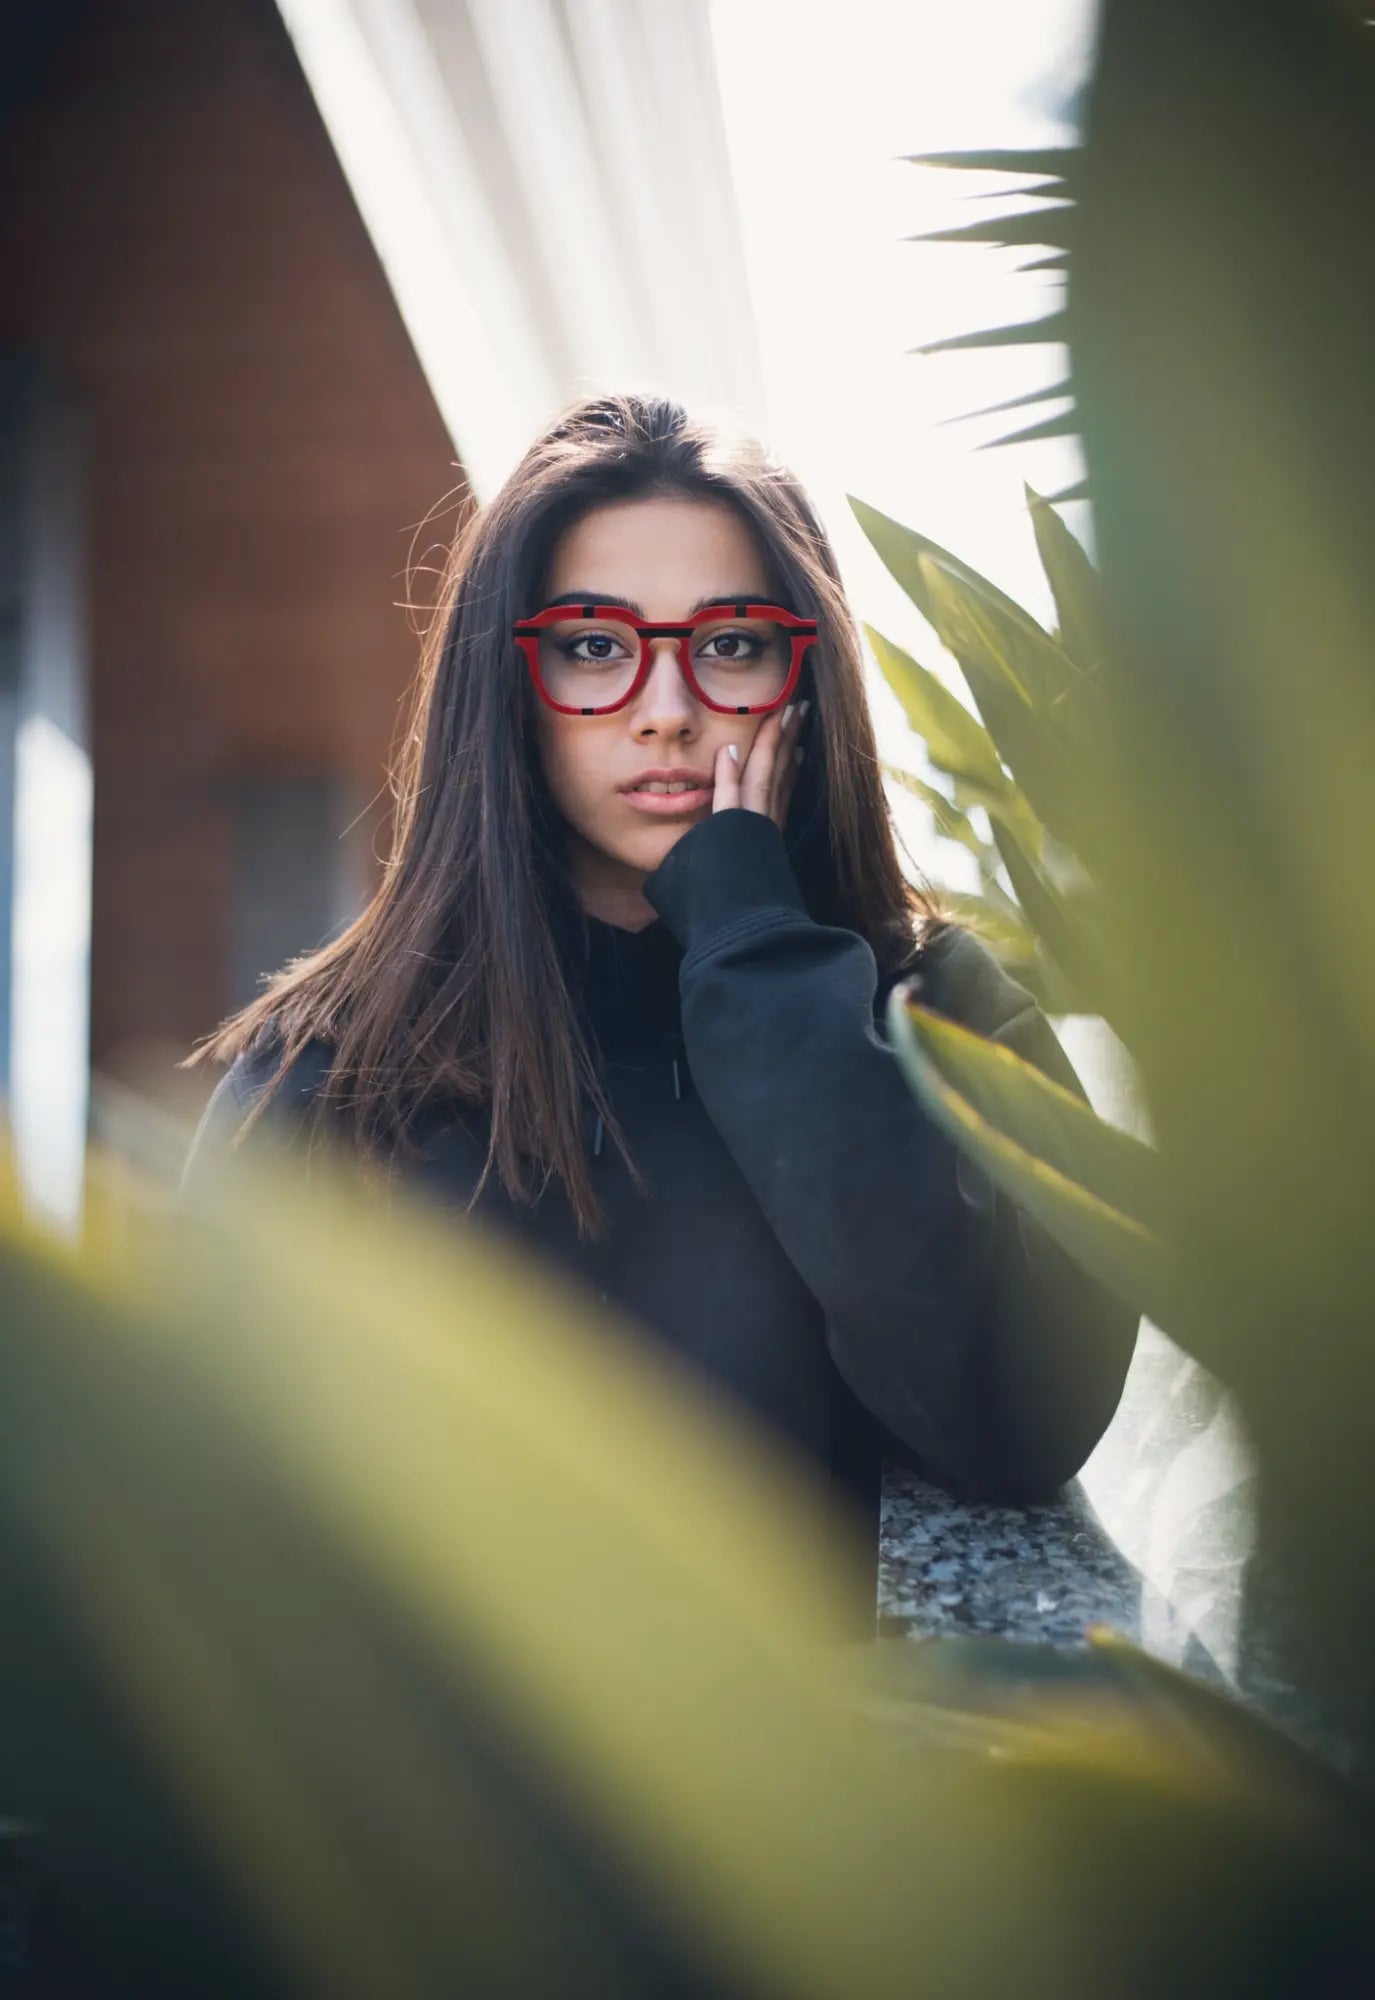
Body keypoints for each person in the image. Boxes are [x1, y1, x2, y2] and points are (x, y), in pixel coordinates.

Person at [178, 390, 1140, 1629]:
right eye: (592, 644)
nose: (667, 705)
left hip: (823, 1794)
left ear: (805, 676)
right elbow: (212, 1538)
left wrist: (746, 933)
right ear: (505, 683)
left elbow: (1014, 1425)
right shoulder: (336, 1065)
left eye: (730, 641)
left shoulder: (942, 1013)